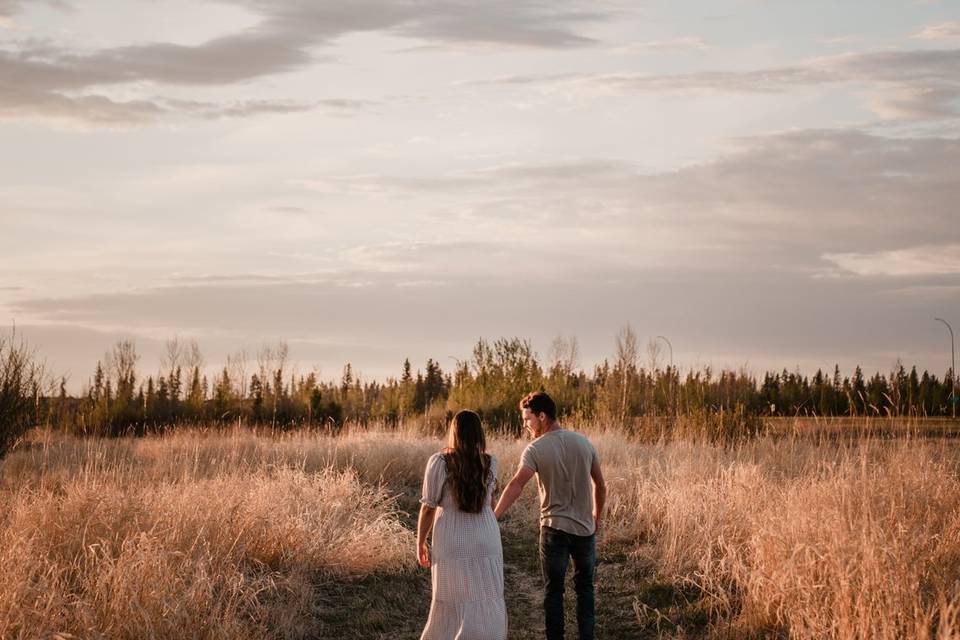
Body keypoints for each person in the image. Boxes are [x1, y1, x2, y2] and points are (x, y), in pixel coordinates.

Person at [494, 391, 606, 640]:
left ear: (542, 416)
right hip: (585, 530)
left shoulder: (535, 449)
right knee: (585, 589)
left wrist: (494, 516)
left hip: (554, 529)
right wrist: (597, 516)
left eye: (527, 419)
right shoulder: (584, 443)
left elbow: (516, 484)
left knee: (553, 591)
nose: (525, 425)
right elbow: (600, 484)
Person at [418, 409, 507, 640]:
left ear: (454, 432)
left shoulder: (439, 462)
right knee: (486, 593)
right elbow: (491, 500)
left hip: (452, 534)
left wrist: (420, 543)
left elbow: (428, 507)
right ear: (479, 434)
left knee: (452, 594)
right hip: (486, 534)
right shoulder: (490, 462)